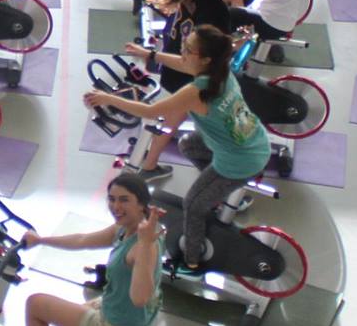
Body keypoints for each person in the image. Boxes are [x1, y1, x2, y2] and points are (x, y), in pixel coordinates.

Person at [84, 24, 269, 268]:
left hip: (240, 160)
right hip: (254, 141)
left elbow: (151, 111)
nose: (183, 51)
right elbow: (184, 63)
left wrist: (107, 98)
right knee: (188, 145)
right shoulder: (221, 68)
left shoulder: (196, 91)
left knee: (192, 204)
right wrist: (149, 54)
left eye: (188, 49)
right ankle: (220, 190)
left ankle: (192, 259)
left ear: (205, 59)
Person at [12, 174, 164, 326]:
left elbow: (141, 298)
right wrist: (41, 240)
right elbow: (82, 240)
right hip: (141, 321)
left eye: (124, 200)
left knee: (35, 304)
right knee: (71, 315)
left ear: (141, 204)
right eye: (111, 199)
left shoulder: (143, 243)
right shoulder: (133, 228)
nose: (115, 206)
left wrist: (146, 245)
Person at [123, 0, 240, 178]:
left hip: (174, 68)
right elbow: (205, 55)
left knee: (172, 119)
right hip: (189, 75)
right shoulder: (216, 9)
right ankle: (220, 176)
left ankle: (149, 165)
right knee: (204, 128)